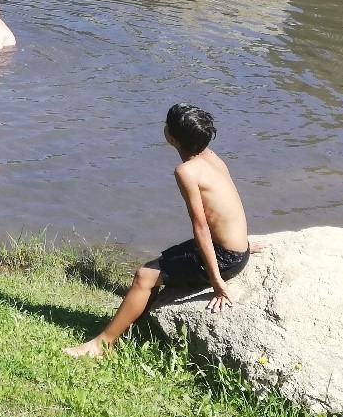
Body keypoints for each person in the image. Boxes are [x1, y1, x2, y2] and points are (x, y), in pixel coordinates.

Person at [66, 104, 251, 358]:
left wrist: (217, 282)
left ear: (171, 138)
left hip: (226, 257)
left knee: (145, 276)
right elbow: (228, 204)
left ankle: (101, 345)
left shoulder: (186, 171)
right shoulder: (210, 156)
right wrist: (244, 243)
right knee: (156, 266)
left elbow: (201, 227)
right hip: (238, 249)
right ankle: (132, 327)